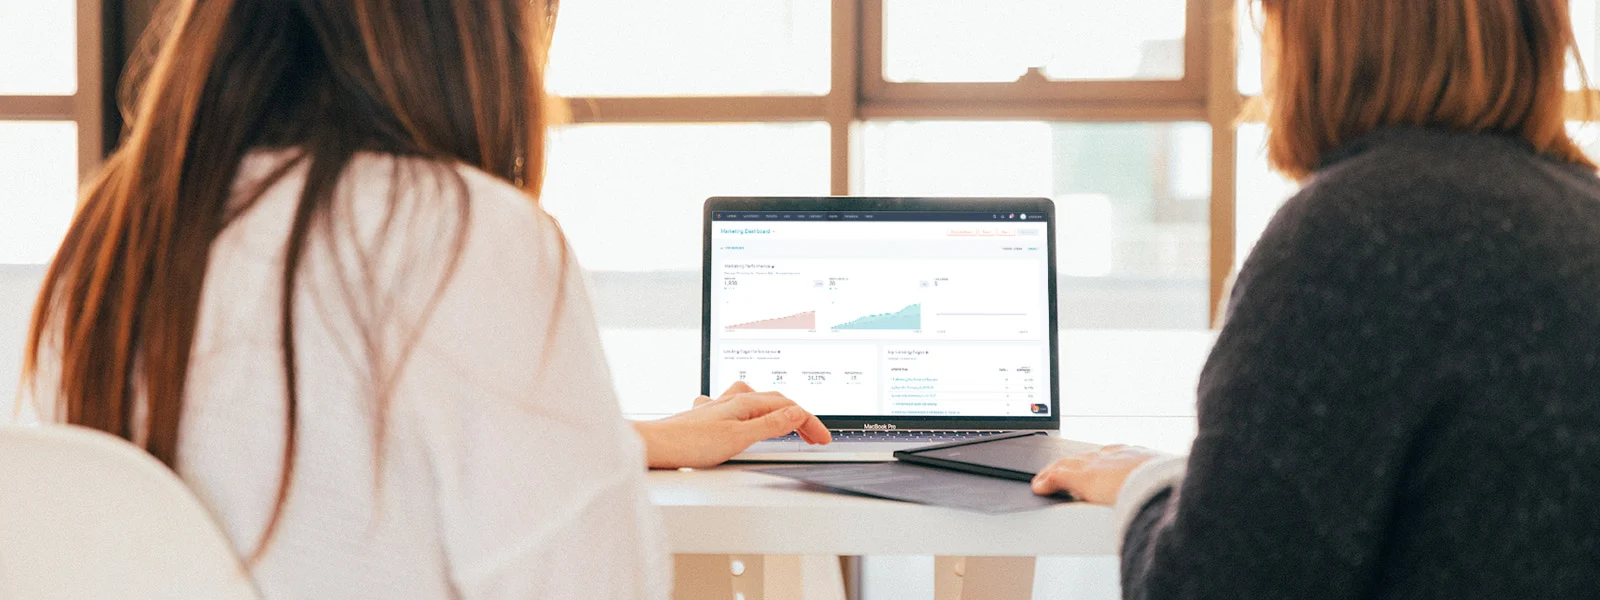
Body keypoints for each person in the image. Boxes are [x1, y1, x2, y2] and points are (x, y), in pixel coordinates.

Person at [20, 0, 826, 598]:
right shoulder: (466, 232)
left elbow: (281, 471)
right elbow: (594, 582)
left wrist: (627, 440)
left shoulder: (110, 242)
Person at [1032, 0, 1600, 597]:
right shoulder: (1584, 212)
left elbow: (1213, 586)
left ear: (1312, 41)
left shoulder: (1353, 232)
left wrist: (1148, 485)